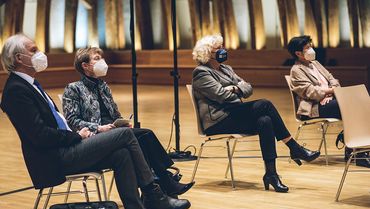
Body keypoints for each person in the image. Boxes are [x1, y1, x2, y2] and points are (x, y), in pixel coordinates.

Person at [0, 33, 191, 209]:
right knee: (126, 135)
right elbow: (39, 136)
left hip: (66, 149)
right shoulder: (16, 90)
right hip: (56, 158)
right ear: (19, 58)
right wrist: (75, 136)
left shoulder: (30, 85)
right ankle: (154, 194)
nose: (40, 54)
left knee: (122, 154)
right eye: (34, 50)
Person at [191, 35, 321, 193]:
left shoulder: (226, 69)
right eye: (218, 48)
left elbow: (248, 88)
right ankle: (294, 147)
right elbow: (222, 96)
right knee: (264, 104)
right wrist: (236, 88)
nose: (222, 50)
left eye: (222, 46)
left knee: (265, 120)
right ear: (207, 53)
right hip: (217, 121)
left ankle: (271, 174)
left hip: (233, 114)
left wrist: (234, 88)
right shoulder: (201, 73)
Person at [62, 47, 194, 198]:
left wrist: (122, 122)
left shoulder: (103, 85)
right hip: (94, 136)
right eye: (97, 58)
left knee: (141, 138)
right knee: (145, 134)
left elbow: (114, 113)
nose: (102, 61)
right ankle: (164, 180)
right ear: (85, 65)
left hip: (114, 131)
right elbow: (72, 121)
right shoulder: (73, 89)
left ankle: (157, 186)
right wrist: (99, 128)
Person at [287, 35, 370, 168]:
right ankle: (358, 152)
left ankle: (355, 148)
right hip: (314, 107)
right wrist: (329, 92)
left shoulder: (315, 64)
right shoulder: (296, 70)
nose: (311, 50)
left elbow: (333, 79)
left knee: (361, 103)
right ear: (298, 53)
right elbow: (311, 92)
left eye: (310, 46)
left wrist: (330, 91)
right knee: (350, 107)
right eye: (307, 48)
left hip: (327, 101)